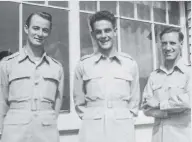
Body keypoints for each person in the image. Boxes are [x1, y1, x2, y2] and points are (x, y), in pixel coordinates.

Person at [73, 10, 140, 142]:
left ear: (115, 31)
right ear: (93, 34)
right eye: (98, 32)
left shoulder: (129, 64)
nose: (103, 36)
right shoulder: (84, 65)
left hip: (123, 130)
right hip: (93, 130)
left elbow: (134, 100)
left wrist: (124, 118)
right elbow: (79, 102)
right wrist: (91, 117)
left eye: (107, 30)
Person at [0, 12, 64, 142]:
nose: (40, 34)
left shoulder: (56, 68)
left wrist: (47, 121)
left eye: (45, 30)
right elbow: (2, 102)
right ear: (26, 28)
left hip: (46, 133)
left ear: (49, 33)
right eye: (35, 28)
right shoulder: (7, 64)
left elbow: (57, 103)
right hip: (14, 133)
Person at [142, 27, 191, 142]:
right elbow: (145, 107)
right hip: (158, 137)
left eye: (172, 43)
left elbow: (187, 101)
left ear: (181, 44)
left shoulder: (189, 73)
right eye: (164, 44)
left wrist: (159, 104)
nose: (168, 48)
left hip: (182, 137)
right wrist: (170, 110)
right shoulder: (154, 76)